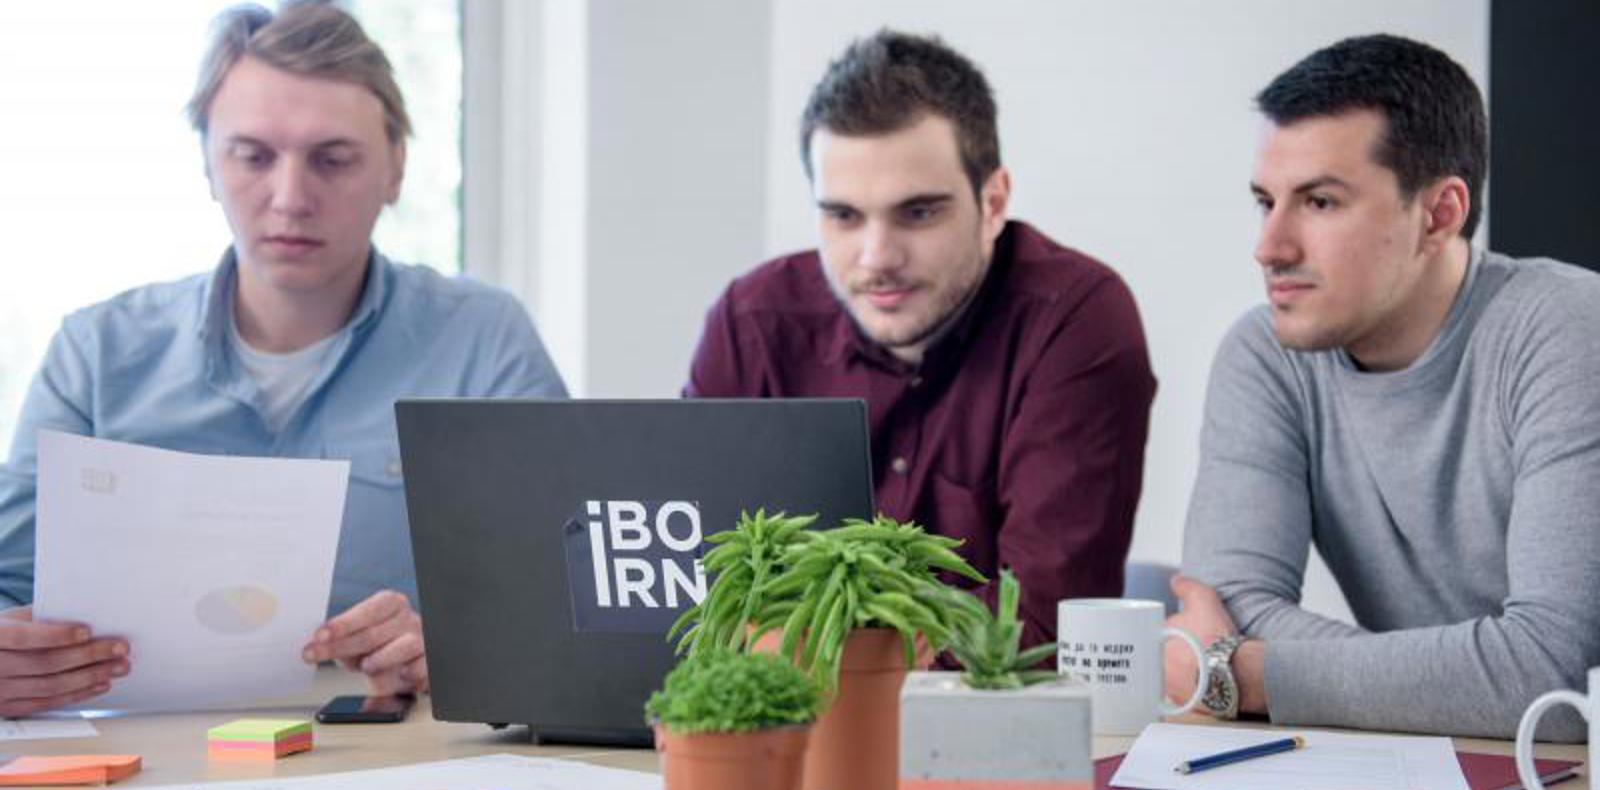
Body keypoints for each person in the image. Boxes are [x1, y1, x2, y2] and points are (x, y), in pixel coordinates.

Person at [0, 1, 566, 716]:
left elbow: (565, 597)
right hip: (145, 756)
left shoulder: (484, 342)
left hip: (394, 757)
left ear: (395, 169)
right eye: (253, 156)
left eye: (333, 160)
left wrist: (459, 645)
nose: (291, 198)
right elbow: (9, 582)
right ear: (208, 163)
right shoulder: (96, 354)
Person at [1166, 33, 1600, 740]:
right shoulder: (1266, 354)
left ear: (1440, 214)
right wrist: (1476, 680)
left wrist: (1241, 676)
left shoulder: (1570, 331)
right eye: (1265, 202)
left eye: (1321, 203)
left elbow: (1556, 676)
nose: (1269, 247)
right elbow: (1224, 607)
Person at [686, 30, 1155, 649]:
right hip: (774, 732)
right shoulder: (750, 322)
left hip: (989, 741)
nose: (877, 257)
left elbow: (1039, 632)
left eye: (918, 213)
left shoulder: (1073, 319)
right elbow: (687, 593)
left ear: (993, 203)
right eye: (843, 216)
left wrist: (791, 646)